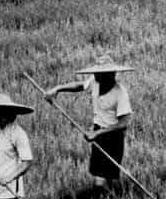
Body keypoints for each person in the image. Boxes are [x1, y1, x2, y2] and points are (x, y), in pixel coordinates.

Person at [44, 56, 134, 189]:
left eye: (100, 73)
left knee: (102, 181)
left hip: (113, 136)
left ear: (111, 74)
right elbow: (79, 86)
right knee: (103, 176)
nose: (95, 75)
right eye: (96, 72)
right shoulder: (95, 81)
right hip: (98, 132)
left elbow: (124, 123)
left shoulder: (120, 93)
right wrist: (57, 89)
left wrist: (97, 133)